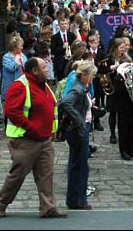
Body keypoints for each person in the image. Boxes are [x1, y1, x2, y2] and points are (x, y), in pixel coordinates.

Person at [0, 57, 66, 219]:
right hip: (25, 140)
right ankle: (2, 202)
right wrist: (32, 128)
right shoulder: (20, 86)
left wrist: (52, 130)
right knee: (17, 175)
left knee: (46, 175)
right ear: (34, 70)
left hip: (45, 139)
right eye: (44, 67)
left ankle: (48, 207)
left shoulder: (43, 85)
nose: (47, 69)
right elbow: (12, 111)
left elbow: (50, 109)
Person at [60, 61, 98, 210]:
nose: (93, 78)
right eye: (92, 75)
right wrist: (79, 119)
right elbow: (65, 104)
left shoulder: (82, 87)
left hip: (81, 128)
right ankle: (77, 199)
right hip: (78, 131)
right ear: (84, 75)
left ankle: (77, 198)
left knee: (79, 164)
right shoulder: (77, 88)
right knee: (79, 165)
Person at [2, 36, 27, 129]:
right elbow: (11, 68)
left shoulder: (23, 56)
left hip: (22, 85)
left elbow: (26, 68)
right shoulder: (6, 57)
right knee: (9, 106)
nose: (22, 48)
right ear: (15, 47)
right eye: (20, 46)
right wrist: (16, 61)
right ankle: (7, 126)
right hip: (10, 85)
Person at [50, 17, 77, 81]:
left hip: (70, 61)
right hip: (60, 63)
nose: (64, 25)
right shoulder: (54, 37)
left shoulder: (71, 35)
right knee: (61, 80)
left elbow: (74, 47)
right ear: (59, 25)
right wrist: (62, 47)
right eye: (62, 24)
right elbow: (53, 51)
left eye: (66, 24)